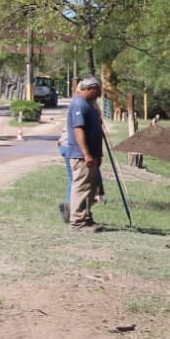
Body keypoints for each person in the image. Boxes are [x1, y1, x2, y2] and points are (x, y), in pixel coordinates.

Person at [66, 76, 105, 232]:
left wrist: (97, 155)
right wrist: (87, 154)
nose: (100, 94)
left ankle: (86, 218)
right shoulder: (78, 104)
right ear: (89, 88)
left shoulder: (89, 105)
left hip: (92, 156)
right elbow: (78, 130)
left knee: (90, 188)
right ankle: (78, 221)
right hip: (81, 156)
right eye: (98, 90)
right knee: (81, 187)